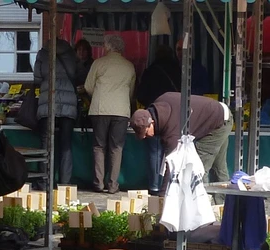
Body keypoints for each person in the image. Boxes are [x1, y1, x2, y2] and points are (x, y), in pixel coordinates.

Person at [131, 93, 233, 184]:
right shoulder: (160, 104)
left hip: (217, 122)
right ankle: (222, 204)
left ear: (151, 123)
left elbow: (172, 167)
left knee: (198, 170)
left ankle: (204, 203)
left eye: (145, 132)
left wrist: (162, 199)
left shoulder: (172, 131)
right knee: (219, 167)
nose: (145, 136)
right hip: (221, 113)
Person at [83, 34, 134, 194]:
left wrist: (98, 95)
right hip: (121, 111)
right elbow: (131, 92)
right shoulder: (129, 66)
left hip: (100, 109)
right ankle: (113, 185)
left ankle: (98, 183)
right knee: (116, 148)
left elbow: (88, 87)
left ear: (108, 47)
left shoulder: (99, 63)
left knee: (99, 146)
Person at [33, 22, 83, 186]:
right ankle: (64, 184)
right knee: (66, 144)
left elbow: (37, 78)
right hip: (69, 105)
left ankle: (43, 181)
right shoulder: (71, 54)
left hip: (48, 102)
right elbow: (79, 75)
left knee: (46, 143)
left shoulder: (42, 54)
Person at [134, 44, 181, 195]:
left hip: (153, 115)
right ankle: (170, 188)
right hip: (174, 116)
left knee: (155, 152)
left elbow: (141, 94)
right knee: (172, 152)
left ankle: (155, 186)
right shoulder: (178, 70)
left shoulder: (151, 71)